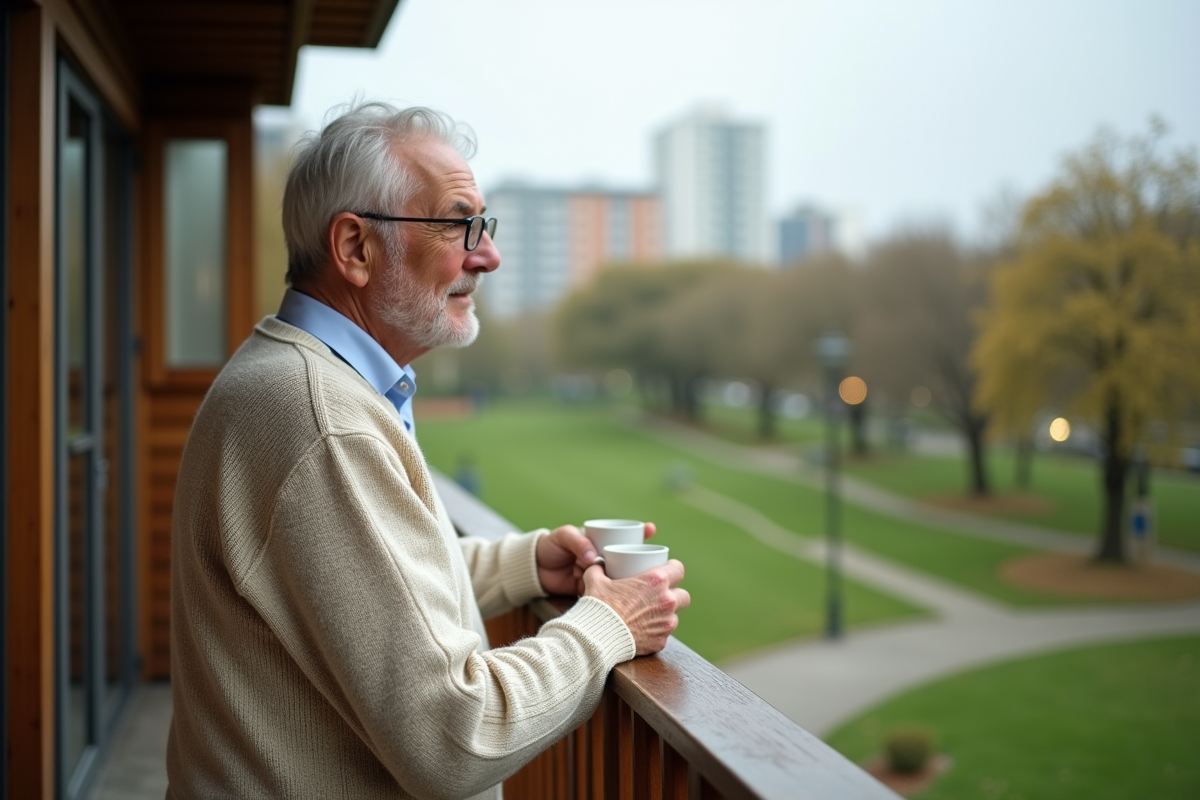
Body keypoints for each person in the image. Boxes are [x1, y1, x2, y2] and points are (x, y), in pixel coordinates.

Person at [166, 102, 690, 800]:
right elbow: (455, 735)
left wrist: (527, 563)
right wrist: (608, 626)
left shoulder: (304, 384)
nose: (489, 254)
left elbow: (368, 588)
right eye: (457, 222)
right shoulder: (323, 421)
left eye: (486, 224)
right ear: (355, 248)